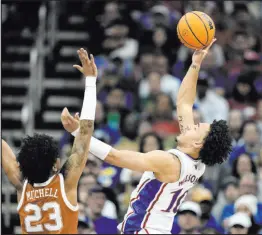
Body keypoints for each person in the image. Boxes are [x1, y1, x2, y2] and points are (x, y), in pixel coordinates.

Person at [62, 39, 232, 234]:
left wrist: (78, 132)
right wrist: (195, 64)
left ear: (198, 142)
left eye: (196, 127)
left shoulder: (168, 161)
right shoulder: (198, 162)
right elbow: (184, 103)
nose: (190, 124)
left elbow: (115, 157)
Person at [1, 48, 97, 234]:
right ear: (57, 164)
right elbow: (85, 132)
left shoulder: (21, 184)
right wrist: (91, 80)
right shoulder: (66, 183)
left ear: (21, 165)